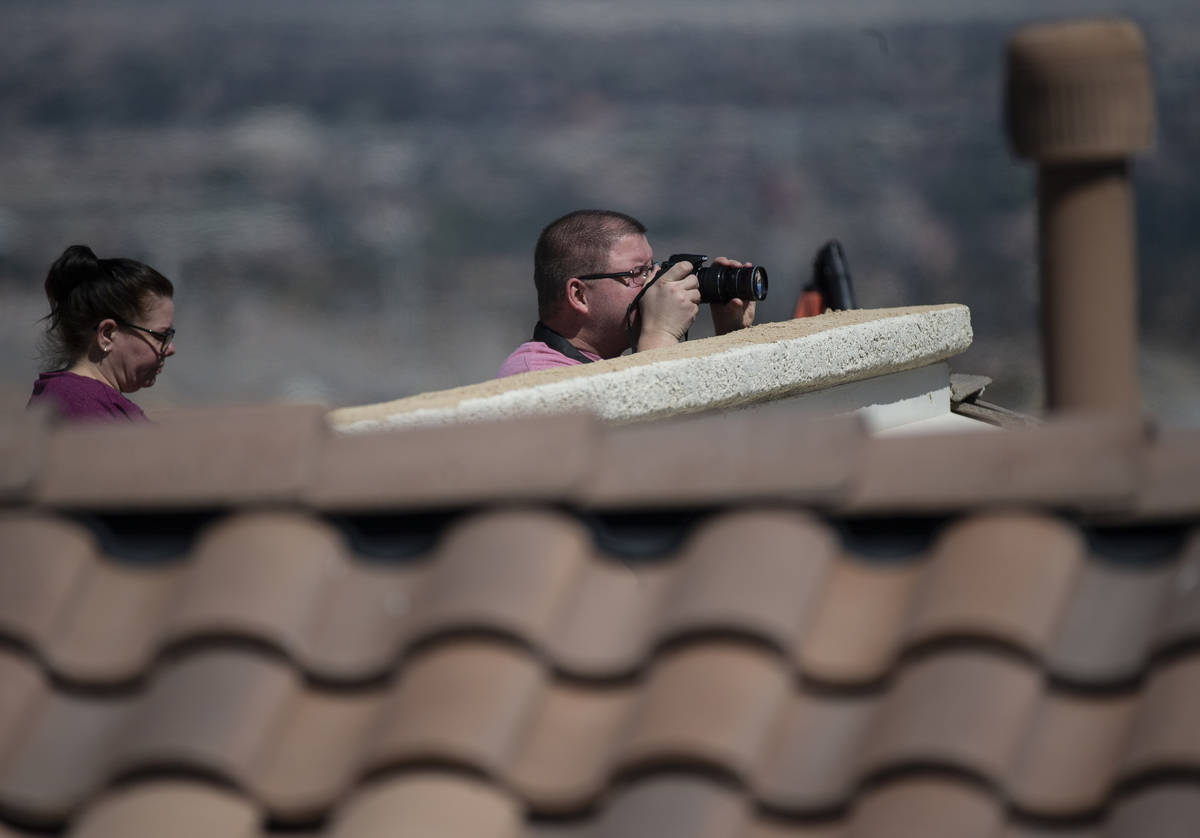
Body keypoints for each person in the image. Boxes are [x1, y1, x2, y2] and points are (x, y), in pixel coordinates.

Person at [497, 209, 756, 377]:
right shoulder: (535, 377)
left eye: (654, 268)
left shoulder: (601, 367)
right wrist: (660, 335)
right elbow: (654, 445)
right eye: (637, 273)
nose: (653, 283)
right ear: (579, 295)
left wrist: (729, 337)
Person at [27, 244, 176, 421]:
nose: (171, 349)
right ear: (107, 334)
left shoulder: (73, 398)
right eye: (160, 336)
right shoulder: (82, 408)